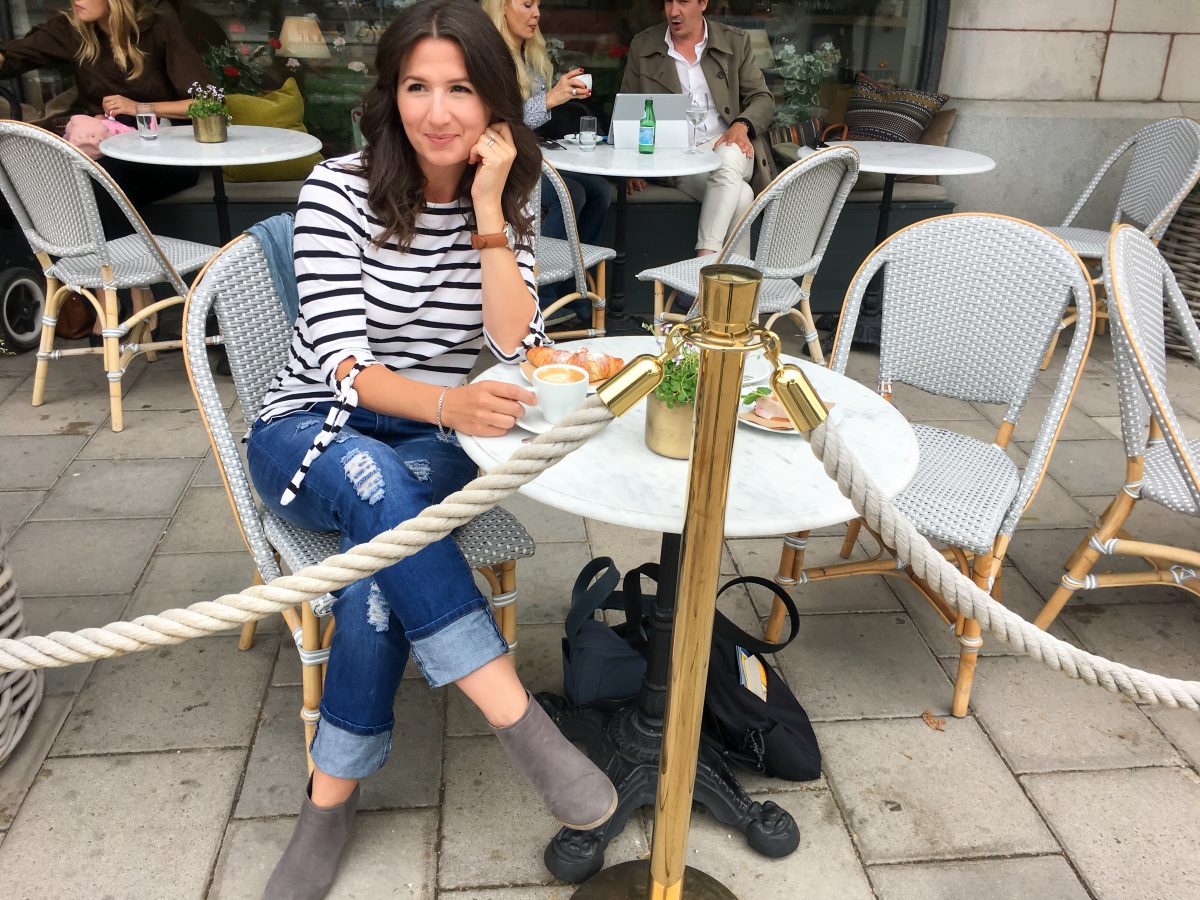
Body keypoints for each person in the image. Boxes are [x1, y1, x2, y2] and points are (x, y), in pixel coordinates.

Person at [247, 2, 617, 896]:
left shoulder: (509, 201)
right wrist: (449, 400)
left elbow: (508, 344)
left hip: (441, 439)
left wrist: (489, 210)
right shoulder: (336, 190)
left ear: (497, 101)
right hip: (310, 427)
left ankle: (325, 805)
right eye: (418, 86)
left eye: (461, 88)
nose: (439, 112)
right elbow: (342, 364)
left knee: (380, 567)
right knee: (380, 491)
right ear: (391, 94)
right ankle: (520, 722)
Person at [0, 0, 212, 216]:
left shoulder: (158, 29)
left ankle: (110, 249)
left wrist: (140, 107)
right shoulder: (73, 29)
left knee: (94, 186)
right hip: (102, 148)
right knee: (19, 184)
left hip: (163, 155)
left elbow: (208, 104)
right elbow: (12, 55)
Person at [484, 0, 610, 323]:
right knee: (575, 195)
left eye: (538, 5)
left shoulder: (529, 53)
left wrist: (562, 97)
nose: (536, 13)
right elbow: (500, 123)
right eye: (527, 4)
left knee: (600, 192)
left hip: (532, 156)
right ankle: (546, 291)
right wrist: (552, 98)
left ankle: (573, 281)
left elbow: (534, 118)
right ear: (502, 8)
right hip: (507, 163)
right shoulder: (492, 56)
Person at [621, 0, 774, 257]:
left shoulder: (735, 42)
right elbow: (629, 109)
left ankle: (700, 264)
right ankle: (729, 291)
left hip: (733, 147)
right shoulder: (644, 45)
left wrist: (741, 125)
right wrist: (630, 162)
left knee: (728, 157)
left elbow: (763, 98)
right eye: (668, 2)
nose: (673, 11)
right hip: (678, 161)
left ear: (703, 3)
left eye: (683, 2)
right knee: (741, 195)